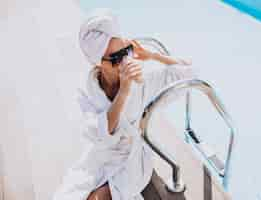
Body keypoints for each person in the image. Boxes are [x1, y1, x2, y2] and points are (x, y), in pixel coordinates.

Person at [52, 8, 197, 200]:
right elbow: (100, 134)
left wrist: (152, 56)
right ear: (97, 63)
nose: (123, 61)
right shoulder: (86, 91)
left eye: (125, 51)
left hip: (134, 160)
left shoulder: (142, 78)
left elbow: (188, 72)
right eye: (115, 58)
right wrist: (124, 91)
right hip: (102, 156)